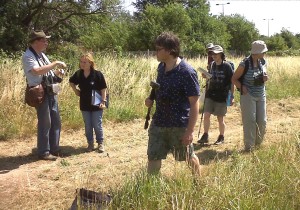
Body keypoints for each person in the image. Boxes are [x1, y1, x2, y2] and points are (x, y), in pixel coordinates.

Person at [145, 32, 201, 176]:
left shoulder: (187, 72)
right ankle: (151, 188)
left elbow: (194, 103)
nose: (155, 52)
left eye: (159, 49)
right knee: (153, 156)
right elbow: (160, 89)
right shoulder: (161, 68)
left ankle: (199, 183)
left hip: (179, 125)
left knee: (188, 157)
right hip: (159, 122)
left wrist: (190, 131)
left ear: (170, 51)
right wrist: (151, 99)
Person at [22, 30, 67, 160]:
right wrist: (55, 63)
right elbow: (36, 71)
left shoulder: (41, 55)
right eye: (44, 40)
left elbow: (47, 71)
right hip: (40, 93)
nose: (46, 43)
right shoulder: (28, 56)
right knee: (45, 122)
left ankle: (55, 149)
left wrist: (57, 72)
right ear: (36, 42)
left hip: (50, 91)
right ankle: (44, 152)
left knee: (55, 121)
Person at [231, 40, 268, 152]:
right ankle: (249, 147)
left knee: (262, 121)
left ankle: (258, 144)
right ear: (256, 52)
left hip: (261, 94)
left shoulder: (263, 61)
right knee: (250, 121)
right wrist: (242, 87)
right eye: (263, 52)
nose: (264, 54)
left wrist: (265, 78)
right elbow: (233, 79)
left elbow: (262, 75)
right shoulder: (244, 63)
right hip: (248, 95)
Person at [69, 53, 107, 153]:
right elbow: (71, 81)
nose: (82, 64)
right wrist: (75, 90)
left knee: (97, 124)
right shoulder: (78, 74)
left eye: (85, 62)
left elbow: (103, 89)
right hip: (84, 103)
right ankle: (90, 143)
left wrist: (103, 101)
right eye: (81, 62)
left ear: (90, 63)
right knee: (88, 125)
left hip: (97, 102)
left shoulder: (98, 74)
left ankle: (100, 143)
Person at [197, 45, 234, 145]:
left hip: (222, 95)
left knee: (220, 118)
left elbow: (232, 81)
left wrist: (231, 96)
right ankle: (205, 135)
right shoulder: (212, 64)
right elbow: (211, 77)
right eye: (212, 54)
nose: (214, 56)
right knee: (206, 115)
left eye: (216, 54)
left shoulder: (227, 66)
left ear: (221, 55)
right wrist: (206, 76)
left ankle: (221, 136)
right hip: (210, 93)